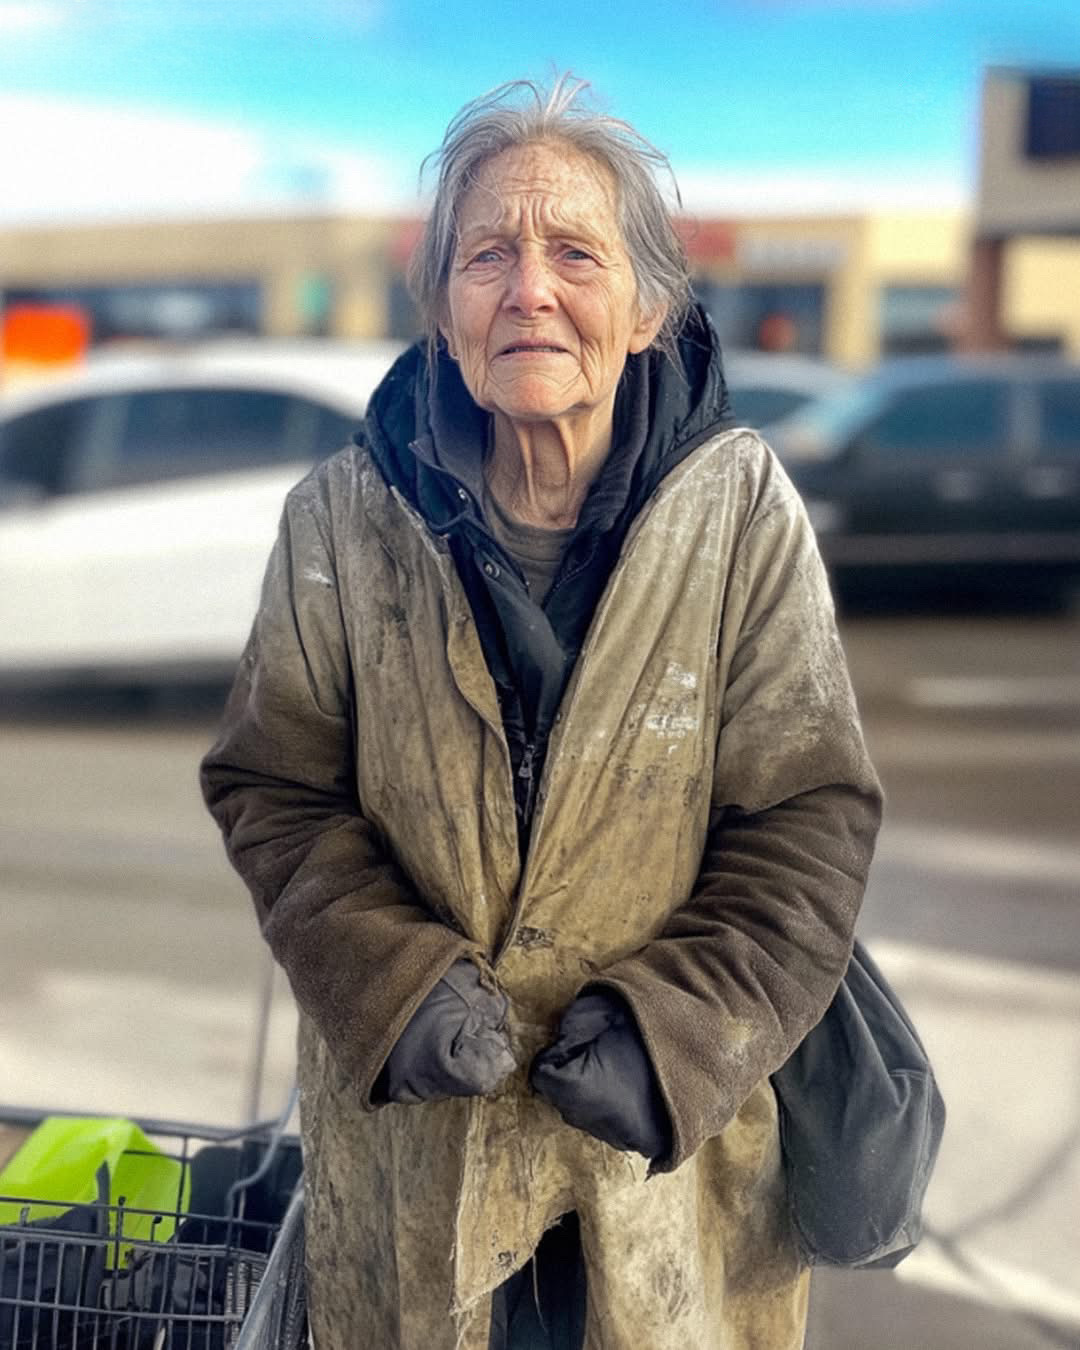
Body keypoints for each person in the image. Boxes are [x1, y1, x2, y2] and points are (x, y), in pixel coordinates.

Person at [201, 75, 882, 1350]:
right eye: (487, 256)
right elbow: (274, 786)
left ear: (648, 308)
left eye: (575, 252)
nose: (529, 291)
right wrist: (389, 983)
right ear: (441, 308)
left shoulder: (740, 514)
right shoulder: (342, 520)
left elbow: (808, 819)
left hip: (662, 1172)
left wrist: (678, 1029)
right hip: (416, 1156)